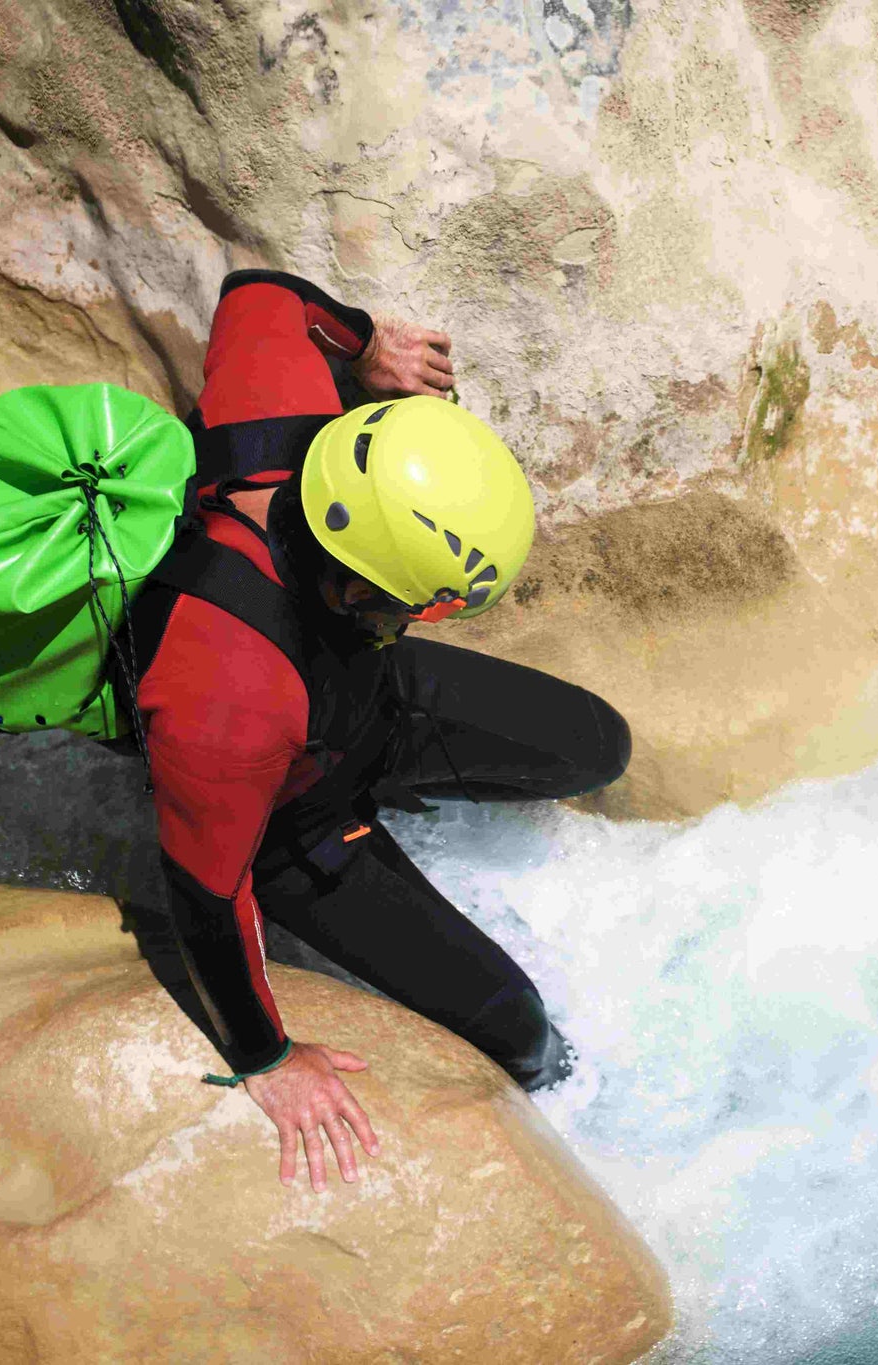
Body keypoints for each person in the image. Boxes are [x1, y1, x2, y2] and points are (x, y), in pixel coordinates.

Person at [126, 270, 629, 1192]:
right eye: (422, 605)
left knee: (597, 745)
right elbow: (205, 894)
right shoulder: (229, 696)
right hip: (300, 828)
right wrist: (267, 1058)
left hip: (363, 703)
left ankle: (392, 769)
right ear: (357, 585)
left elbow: (260, 294)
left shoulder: (285, 410)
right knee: (521, 1029)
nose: (429, 614)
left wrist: (366, 348)